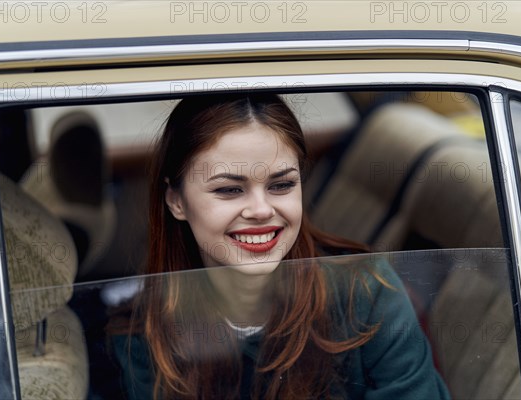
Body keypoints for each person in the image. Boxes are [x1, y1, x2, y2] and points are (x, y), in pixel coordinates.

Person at [111, 93, 450, 399]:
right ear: (176, 201)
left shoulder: (366, 293)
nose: (261, 211)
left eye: (282, 185)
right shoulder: (142, 336)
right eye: (229, 190)